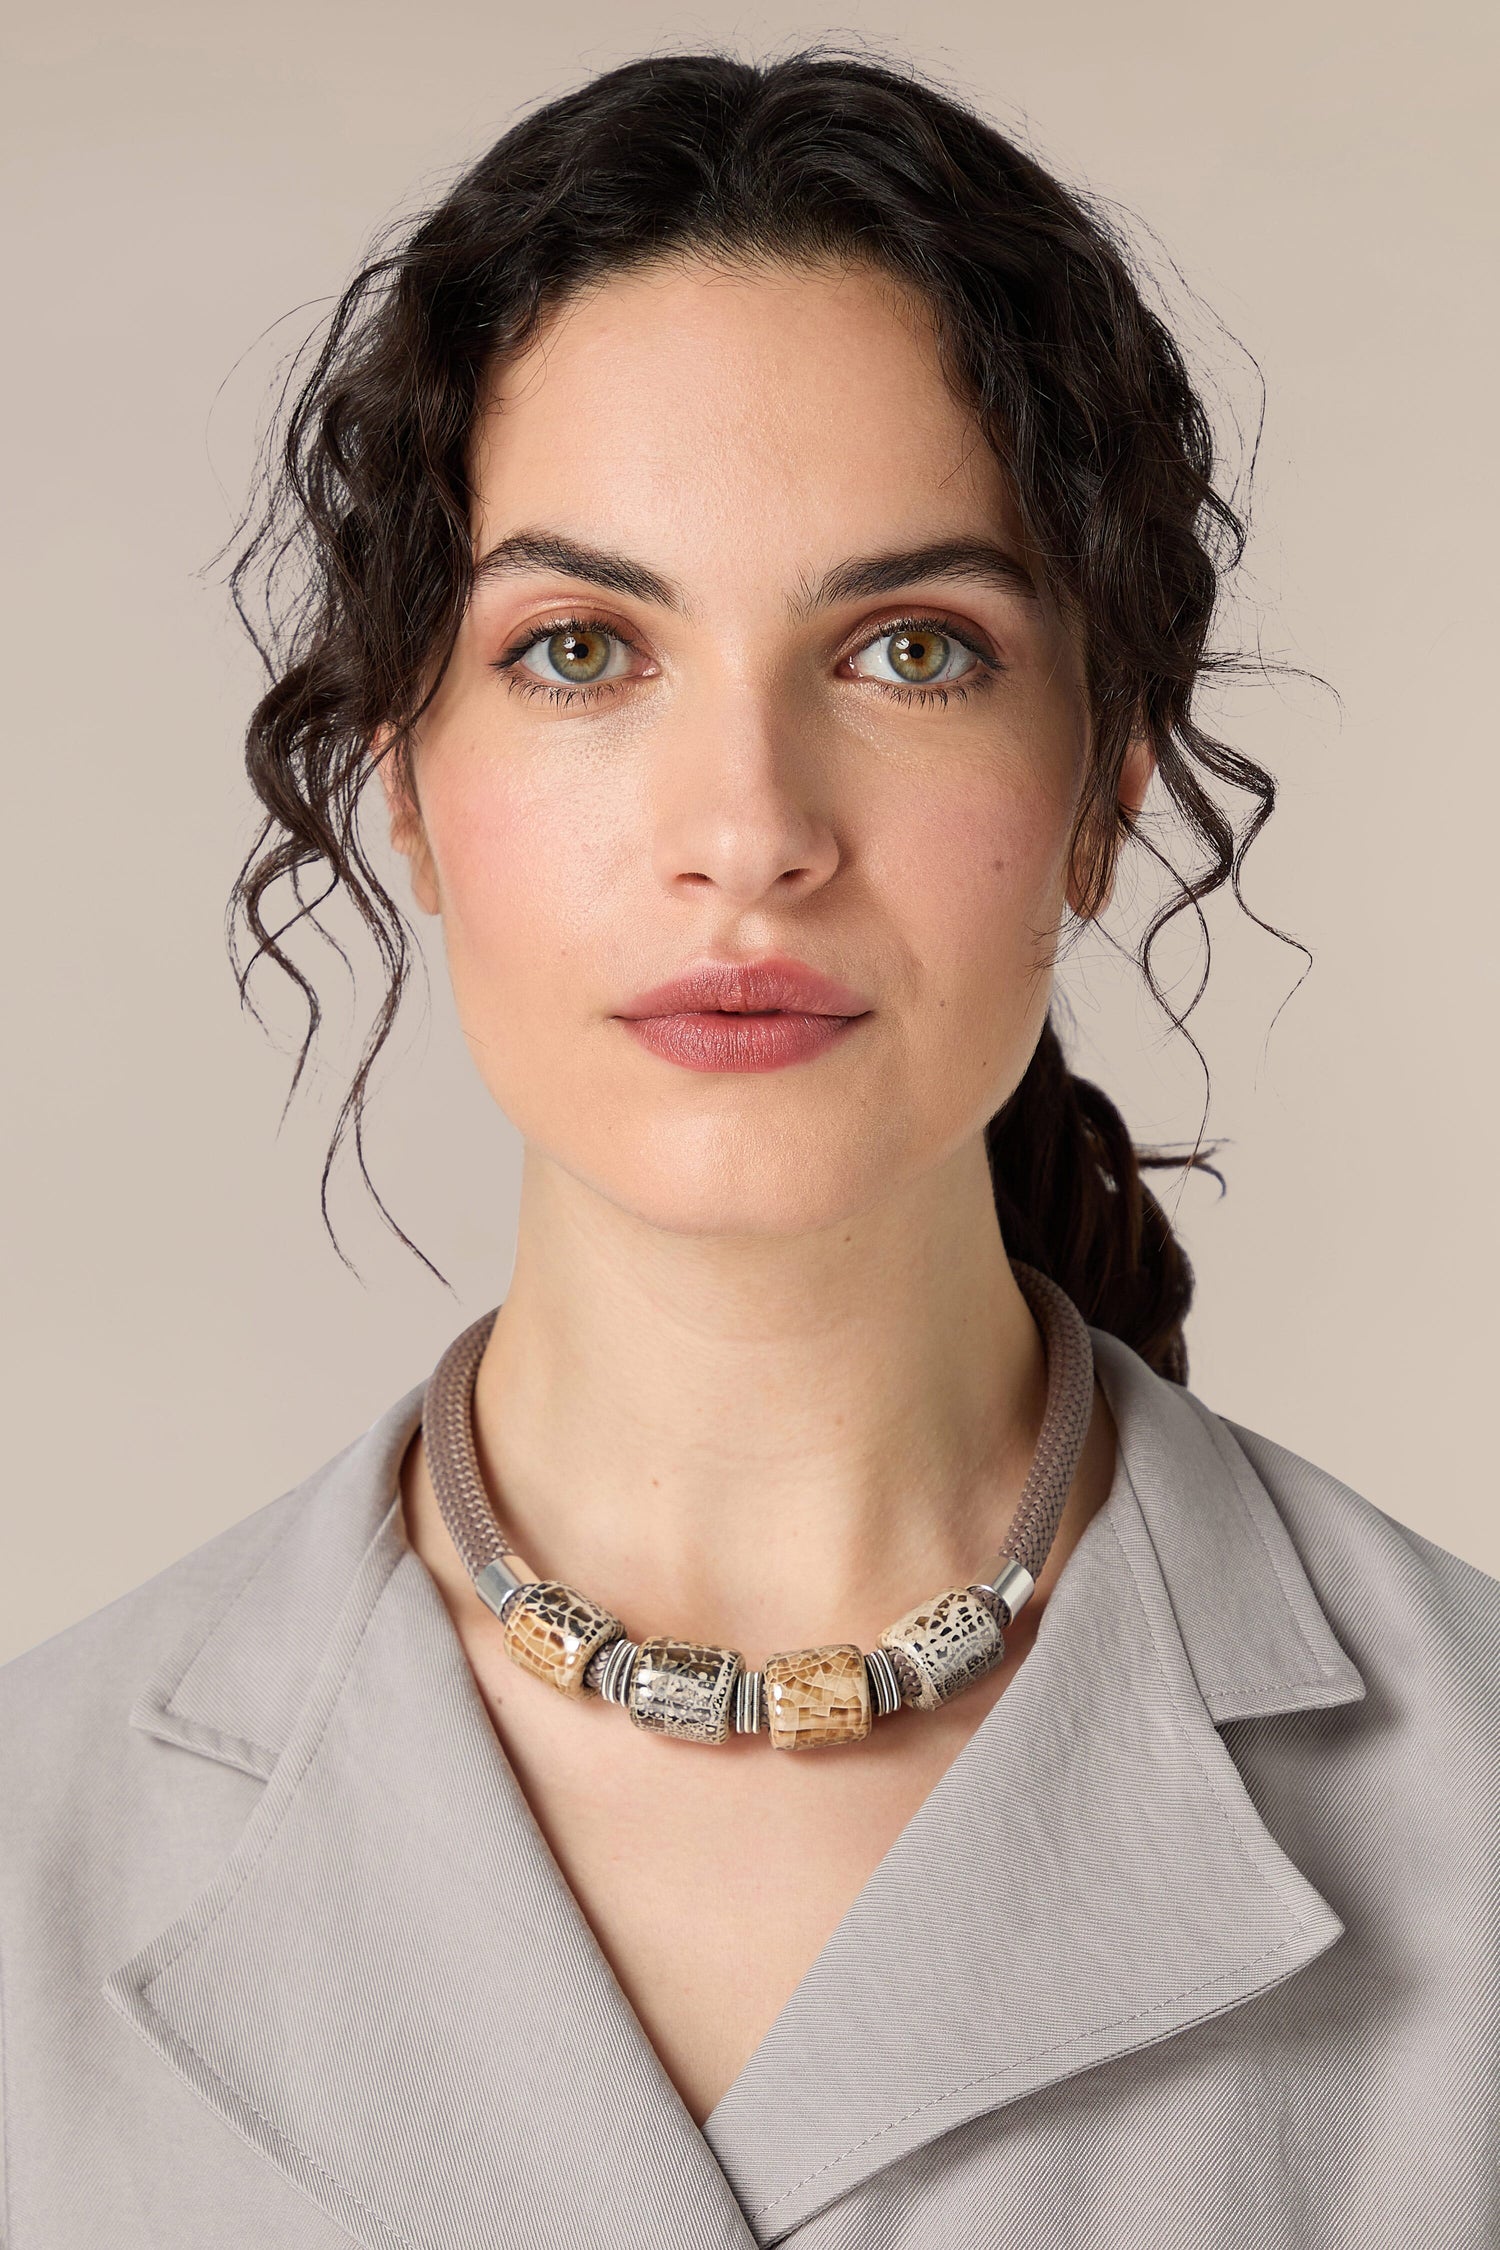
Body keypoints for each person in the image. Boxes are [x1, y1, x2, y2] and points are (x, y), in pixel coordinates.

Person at [1, 47, 1495, 2250]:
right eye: (583, 649)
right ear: (404, 775)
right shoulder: (39, 1848)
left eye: (910, 649)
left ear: (1104, 785)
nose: (751, 836)